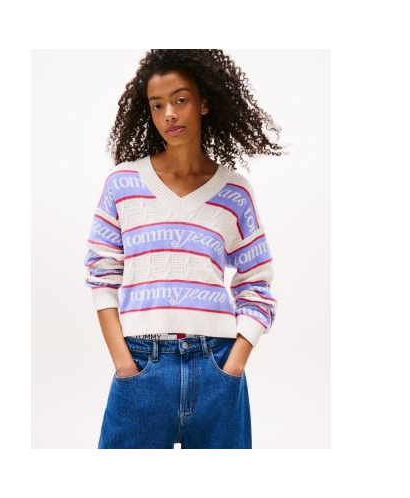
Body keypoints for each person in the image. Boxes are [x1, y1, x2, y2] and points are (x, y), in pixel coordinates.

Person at [84, 49, 281, 449]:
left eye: (180, 100)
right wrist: (124, 362)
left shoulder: (234, 192)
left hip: (217, 368)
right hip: (141, 366)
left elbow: (257, 282)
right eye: (157, 105)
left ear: (204, 102)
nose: (169, 114)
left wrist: (234, 365)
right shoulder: (123, 183)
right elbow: (102, 276)